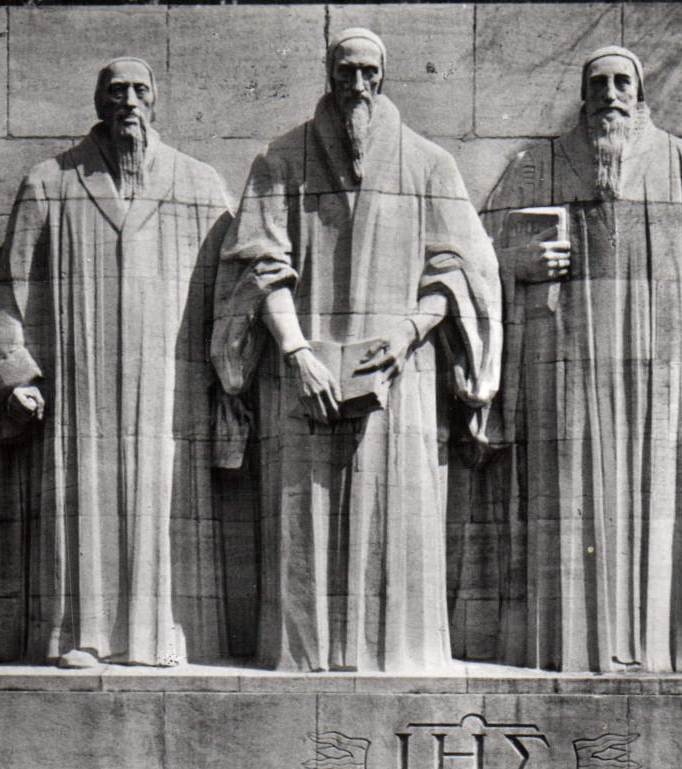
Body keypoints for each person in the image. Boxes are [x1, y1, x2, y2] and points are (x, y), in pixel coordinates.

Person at [211, 29, 500, 673]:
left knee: (395, 522)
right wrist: (295, 352)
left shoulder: (428, 164)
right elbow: (258, 264)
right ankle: (305, 660)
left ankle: (400, 657)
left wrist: (406, 334)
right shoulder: (281, 161)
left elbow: (462, 270)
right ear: (329, 75)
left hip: (401, 376)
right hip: (302, 374)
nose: (358, 86)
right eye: (346, 73)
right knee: (303, 521)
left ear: (385, 77)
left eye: (370, 73)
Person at [466, 46, 682, 673]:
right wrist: (513, 266)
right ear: (583, 97)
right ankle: (564, 648)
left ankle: (653, 648)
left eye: (622, 83)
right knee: (566, 503)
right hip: (562, 371)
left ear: (639, 97)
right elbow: (475, 263)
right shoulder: (534, 170)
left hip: (659, 373)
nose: (610, 94)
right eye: (598, 84)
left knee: (656, 503)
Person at [0, 58, 234, 668]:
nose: (129, 102)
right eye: (115, 91)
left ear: (156, 102)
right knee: (85, 497)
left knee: (164, 495)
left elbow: (235, 288)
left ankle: (166, 633)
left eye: (140, 90)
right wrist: (15, 371)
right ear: (99, 102)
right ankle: (82, 637)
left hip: (173, 385)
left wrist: (233, 374)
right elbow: (11, 288)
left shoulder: (200, 185)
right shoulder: (51, 181)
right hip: (81, 380)